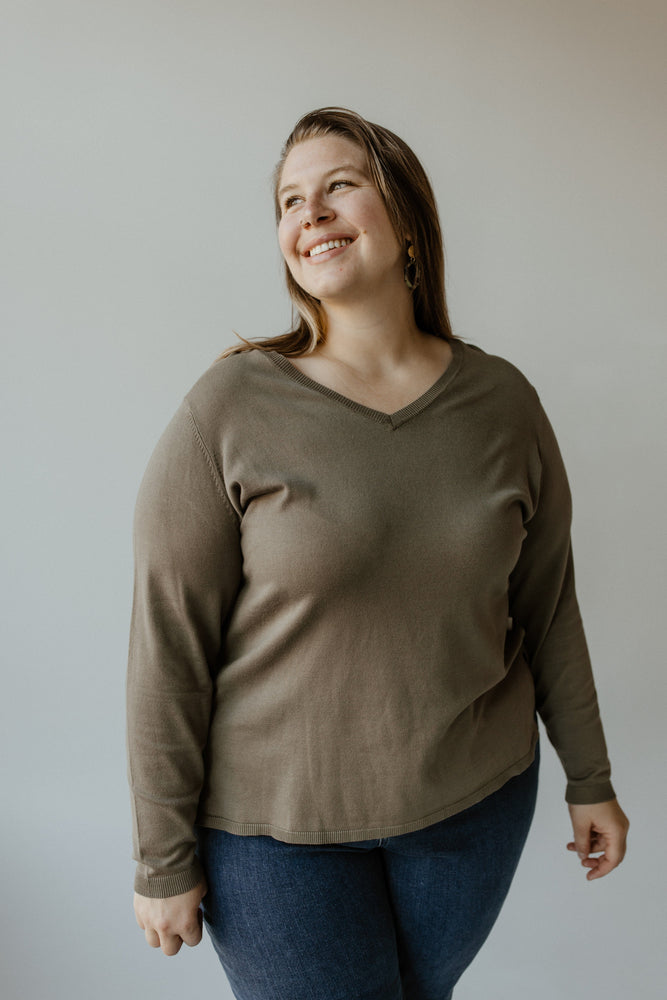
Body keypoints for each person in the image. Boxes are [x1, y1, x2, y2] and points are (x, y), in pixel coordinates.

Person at [128, 107, 629, 999]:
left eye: (338, 188)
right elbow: (168, 645)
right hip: (271, 834)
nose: (309, 214)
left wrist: (589, 777)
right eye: (290, 201)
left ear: (404, 221)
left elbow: (546, 605)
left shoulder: (503, 403)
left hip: (471, 810)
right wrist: (162, 858)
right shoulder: (231, 407)